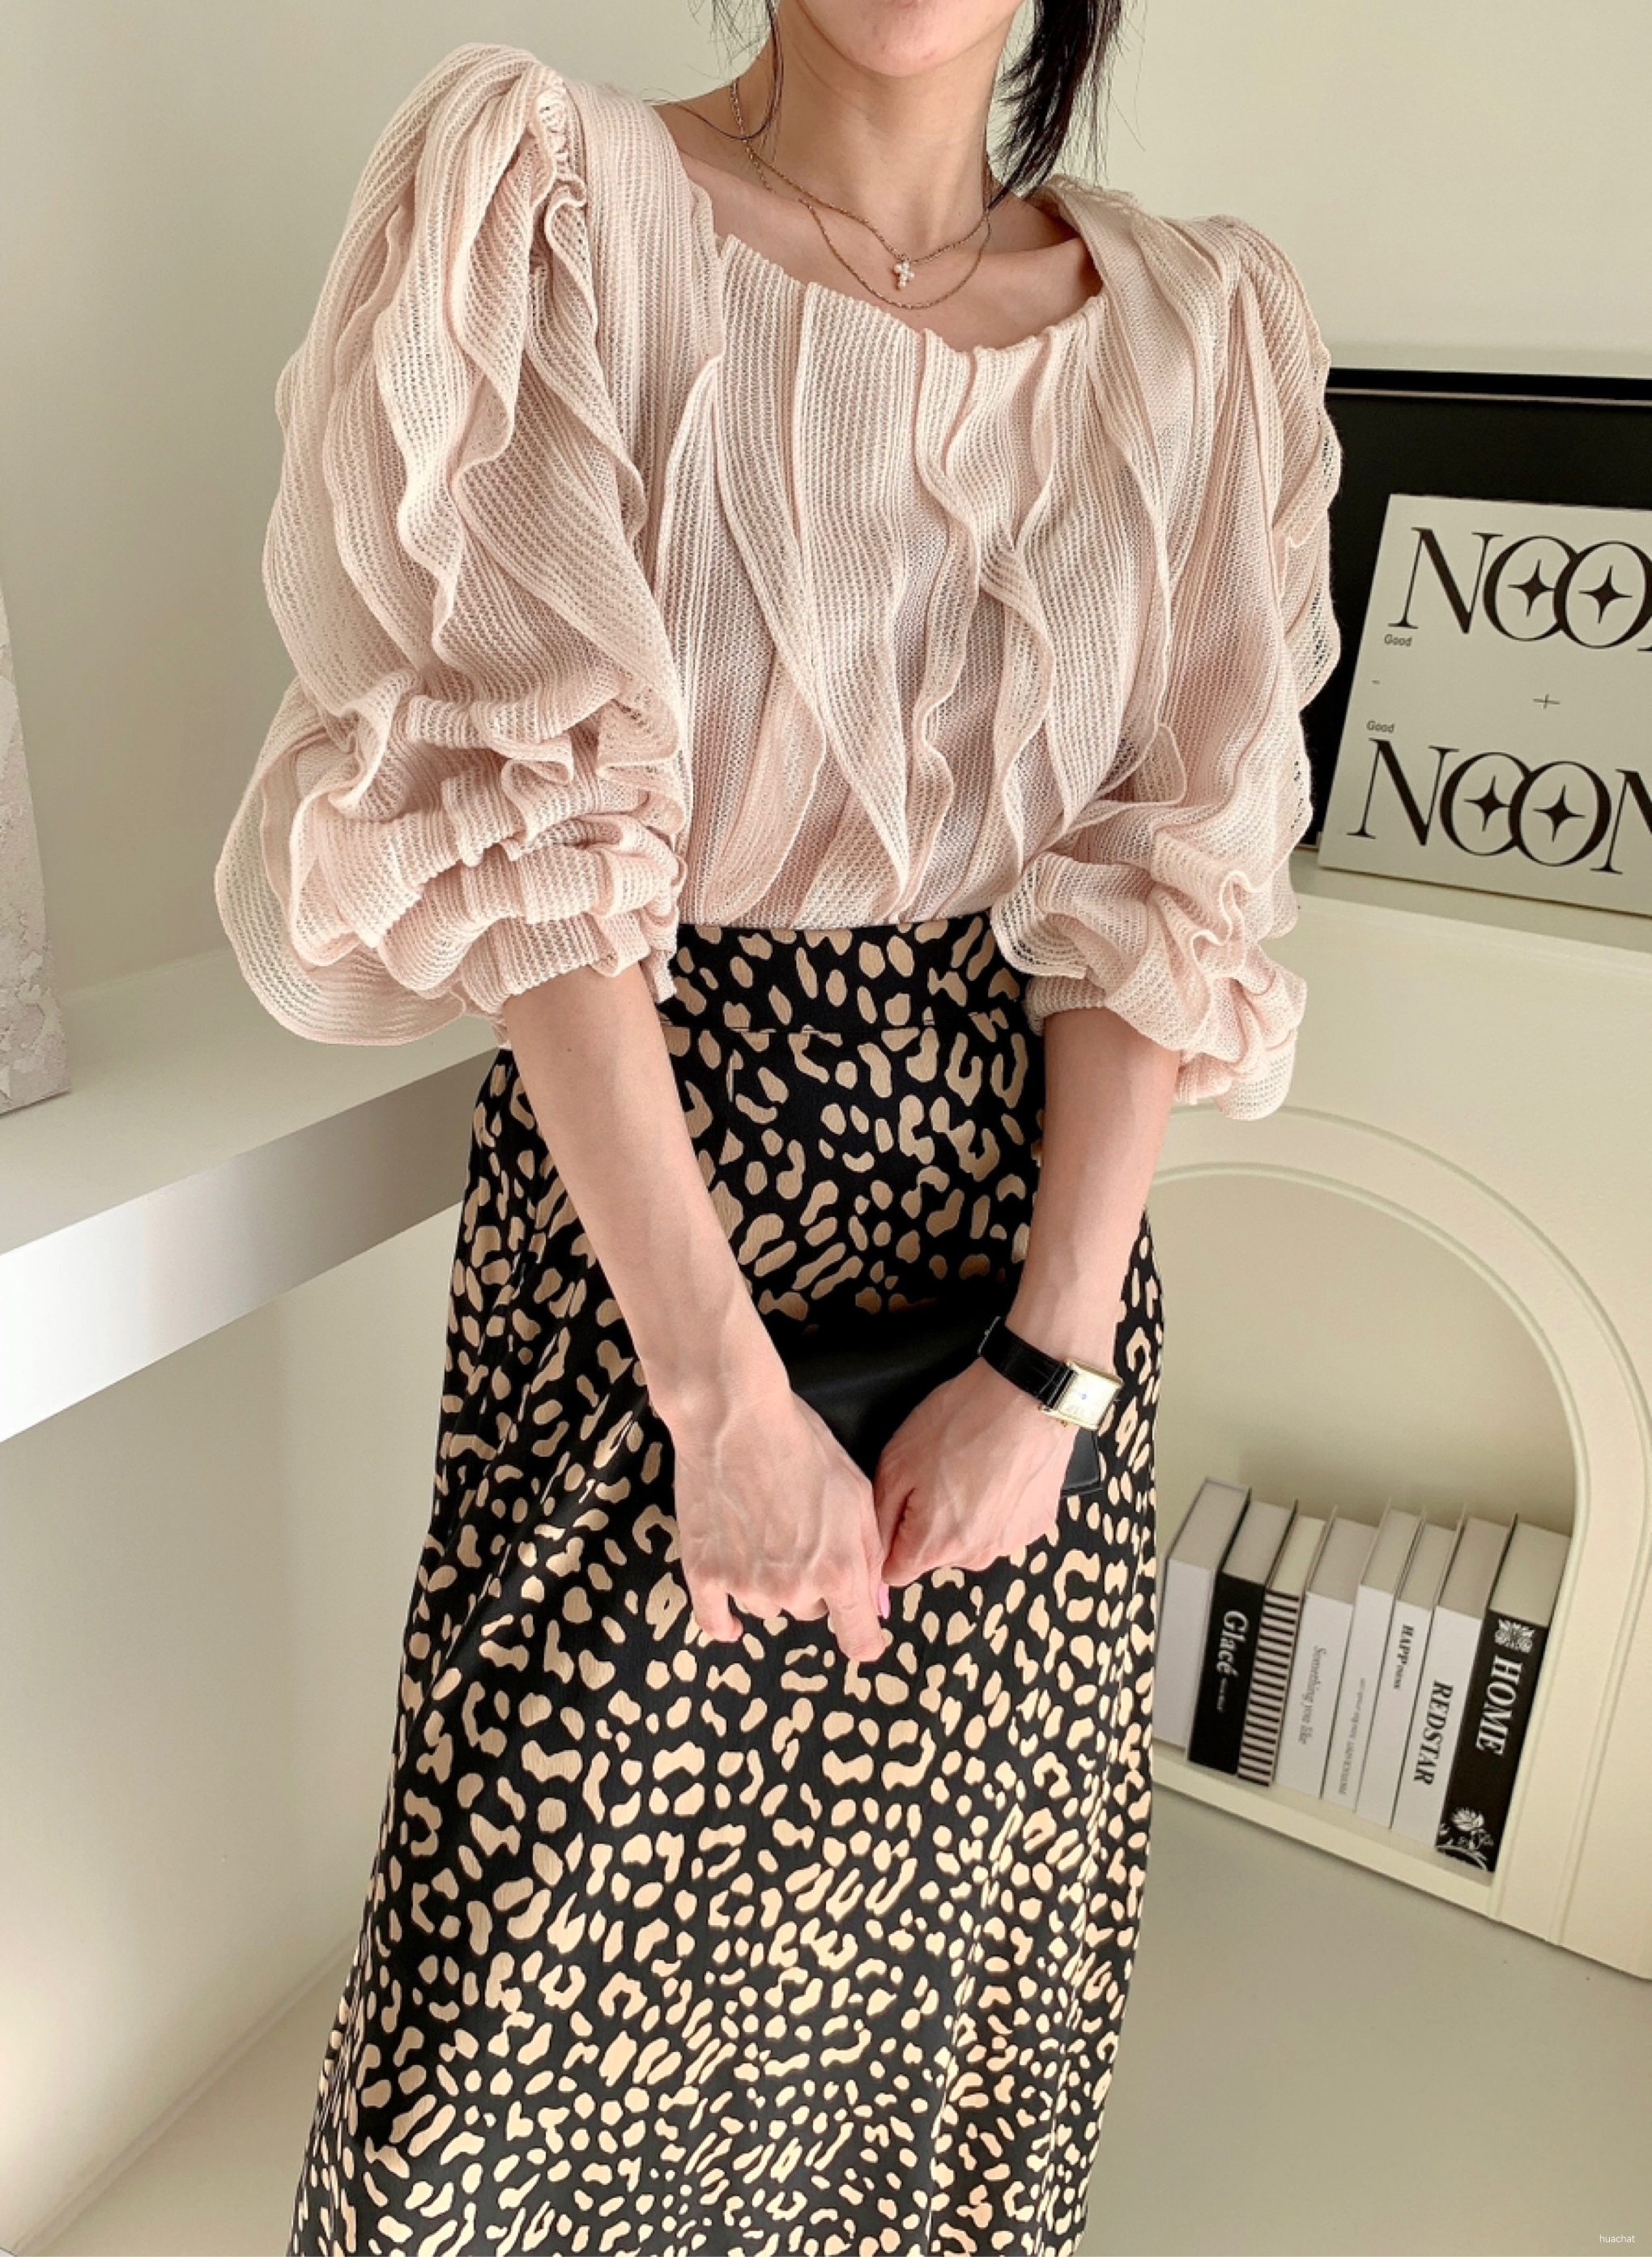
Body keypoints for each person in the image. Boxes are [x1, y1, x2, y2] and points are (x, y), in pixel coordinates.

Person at [214, 5, 1340, 2249]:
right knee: (522, 2007)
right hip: (661, 1238)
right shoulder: (555, 207)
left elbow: (1171, 878)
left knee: (950, 1974)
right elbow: (523, 834)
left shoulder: (1199, 331)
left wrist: (1049, 1372)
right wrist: (718, 1393)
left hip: (1033, 1268)